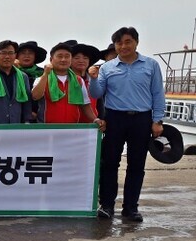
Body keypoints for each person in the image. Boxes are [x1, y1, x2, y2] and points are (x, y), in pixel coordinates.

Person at [89, 27, 165, 223]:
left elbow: (158, 93)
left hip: (142, 119)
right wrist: (94, 78)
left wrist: (157, 120)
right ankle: (106, 205)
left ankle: (131, 208)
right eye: (119, 43)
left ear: (136, 42)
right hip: (115, 118)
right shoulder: (107, 67)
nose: (123, 46)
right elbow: (97, 94)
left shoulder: (150, 65)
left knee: (136, 165)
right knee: (109, 163)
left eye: (127, 41)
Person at [30, 42, 100, 126]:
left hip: (71, 129)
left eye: (67, 56)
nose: (63, 59)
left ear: (70, 60)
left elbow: (85, 105)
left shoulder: (79, 80)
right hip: (46, 129)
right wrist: (45, 75)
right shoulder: (41, 79)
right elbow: (35, 96)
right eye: (60, 56)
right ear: (51, 60)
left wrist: (95, 119)